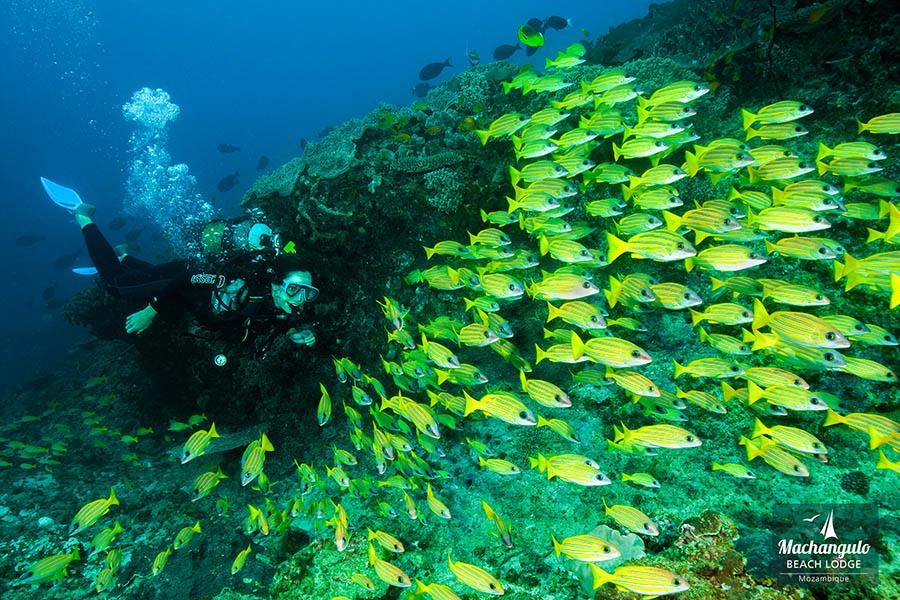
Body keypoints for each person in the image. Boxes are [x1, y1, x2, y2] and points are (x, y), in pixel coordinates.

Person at [41, 177, 316, 349]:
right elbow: (186, 279)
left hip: (189, 299)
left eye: (308, 292)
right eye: (295, 289)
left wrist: (297, 332)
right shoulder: (235, 281)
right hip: (185, 279)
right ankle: (83, 216)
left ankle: (124, 255)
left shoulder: (282, 304)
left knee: (147, 276)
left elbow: (280, 321)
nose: (301, 299)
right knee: (115, 285)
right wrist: (151, 311)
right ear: (277, 284)